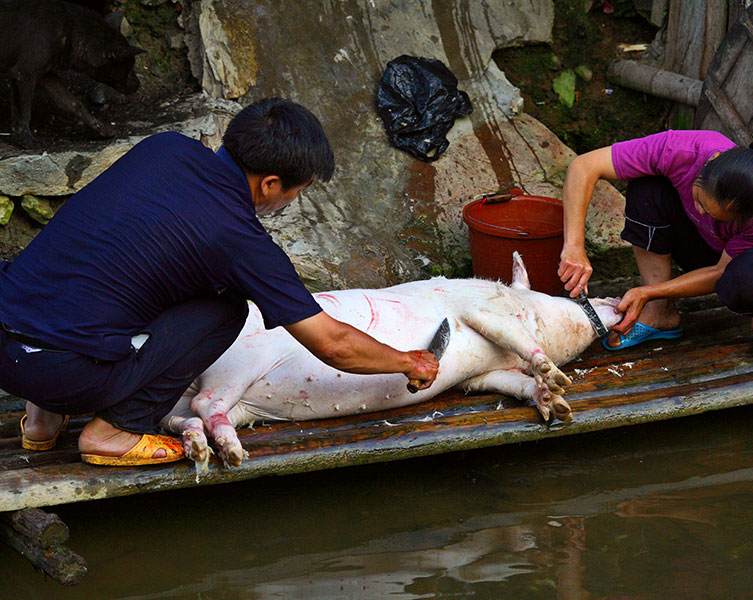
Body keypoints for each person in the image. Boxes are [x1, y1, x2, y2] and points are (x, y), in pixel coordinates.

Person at [0, 98, 439, 466]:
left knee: (93, 275)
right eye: (295, 191)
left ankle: (40, 421)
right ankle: (114, 431)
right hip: (63, 375)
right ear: (269, 184)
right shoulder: (240, 241)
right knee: (225, 310)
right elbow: (333, 343)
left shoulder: (163, 148)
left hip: (7, 344)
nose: (291, 200)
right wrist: (406, 361)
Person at [557, 129, 753, 363]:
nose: (700, 211)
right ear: (708, 165)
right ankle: (660, 315)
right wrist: (574, 246)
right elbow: (583, 166)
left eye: (714, 213)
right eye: (699, 199)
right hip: (710, 246)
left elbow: (720, 273)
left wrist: (647, 292)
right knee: (647, 186)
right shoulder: (683, 149)